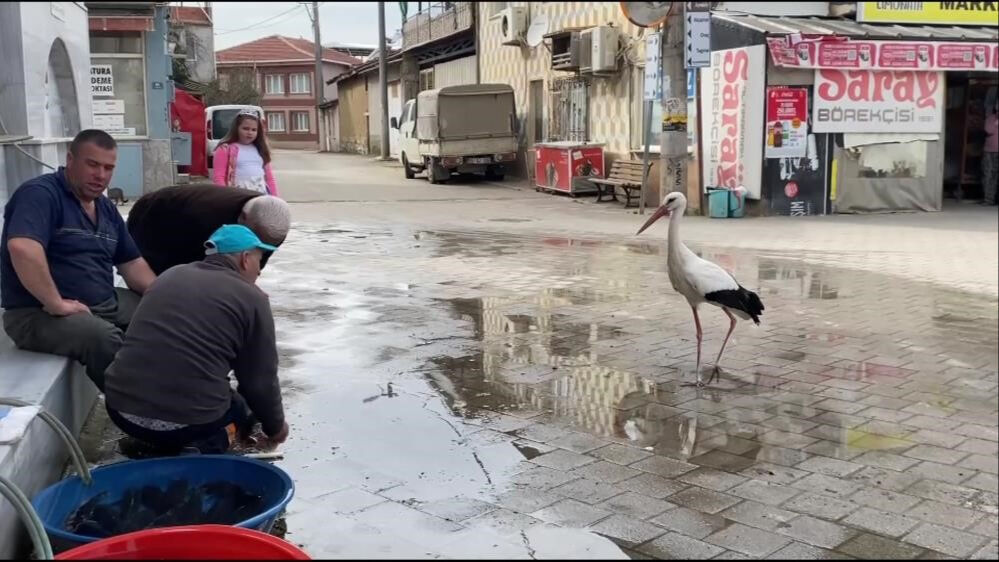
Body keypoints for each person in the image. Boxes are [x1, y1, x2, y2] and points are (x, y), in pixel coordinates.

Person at [104, 224, 288, 455]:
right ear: (245, 259)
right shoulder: (252, 299)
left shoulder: (169, 275)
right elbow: (259, 382)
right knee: (242, 410)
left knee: (217, 394)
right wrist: (276, 427)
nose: (259, 271)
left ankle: (147, 443)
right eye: (259, 261)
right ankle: (202, 447)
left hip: (121, 410)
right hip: (188, 423)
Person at [1, 130, 157, 391]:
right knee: (103, 339)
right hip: (36, 313)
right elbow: (23, 248)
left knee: (162, 316)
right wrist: (55, 303)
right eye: (92, 164)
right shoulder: (40, 194)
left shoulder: (105, 208)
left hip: (103, 302)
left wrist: (166, 297)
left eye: (108, 168)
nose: (101, 175)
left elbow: (132, 264)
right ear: (70, 160)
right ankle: (142, 413)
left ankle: (181, 394)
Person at [126, 184, 290, 275]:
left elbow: (253, 265)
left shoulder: (272, 225)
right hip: (153, 218)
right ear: (243, 217)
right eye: (253, 237)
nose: (256, 246)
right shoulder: (209, 216)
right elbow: (203, 268)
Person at [212, 111, 279, 196]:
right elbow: (219, 178)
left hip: (261, 195)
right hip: (237, 195)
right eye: (245, 128)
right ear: (236, 128)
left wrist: (275, 198)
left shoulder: (261, 149)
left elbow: (270, 178)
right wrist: (226, 198)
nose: (250, 132)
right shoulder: (225, 149)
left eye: (254, 130)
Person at [983, 102, 998, 206]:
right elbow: (988, 130)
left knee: (996, 175)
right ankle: (988, 199)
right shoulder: (991, 118)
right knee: (988, 175)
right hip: (989, 151)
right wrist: (997, 123)